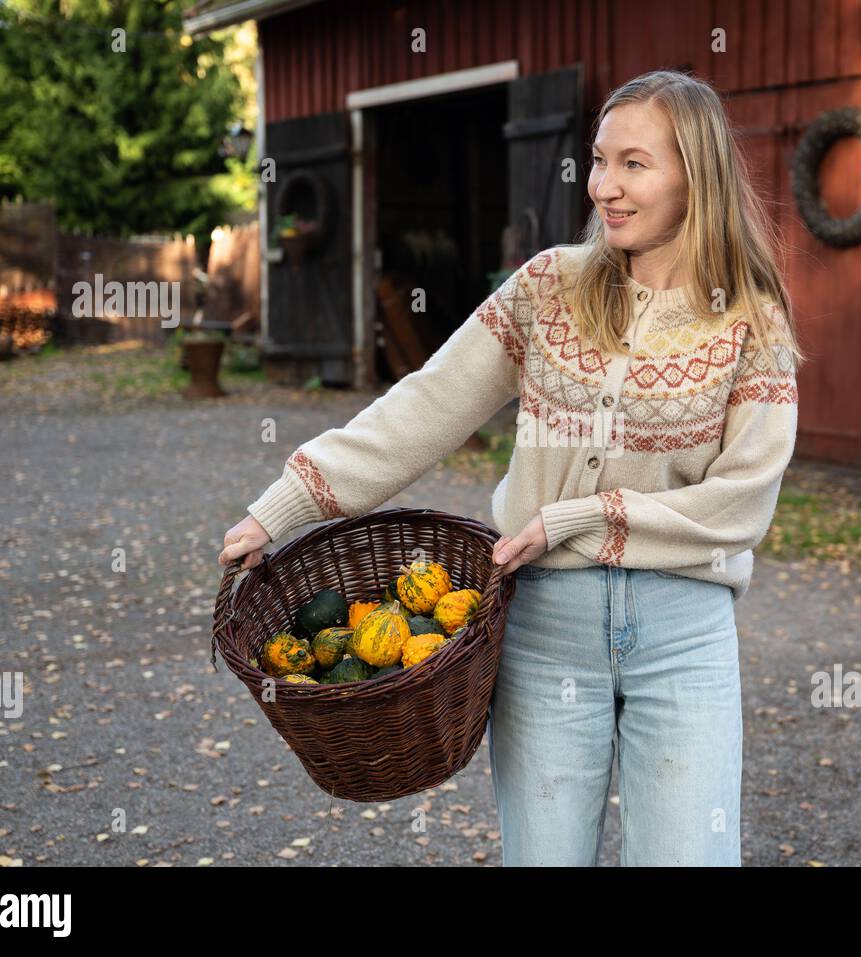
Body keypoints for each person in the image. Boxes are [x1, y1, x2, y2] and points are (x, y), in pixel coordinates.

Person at [219, 68, 806, 866]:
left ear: (695, 174)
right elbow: (425, 406)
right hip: (546, 631)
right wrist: (283, 506)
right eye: (599, 161)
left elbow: (743, 501)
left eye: (635, 164)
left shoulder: (751, 319)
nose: (605, 186)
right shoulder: (548, 288)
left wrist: (582, 516)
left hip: (686, 633)